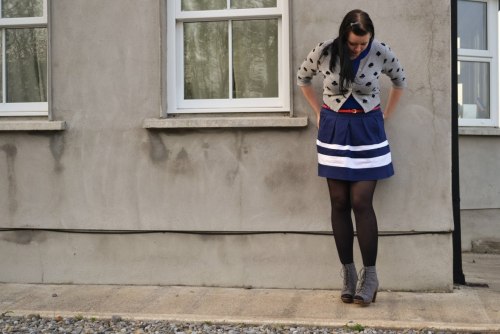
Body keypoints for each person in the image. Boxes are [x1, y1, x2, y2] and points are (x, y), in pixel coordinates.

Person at [297, 9, 406, 306]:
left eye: (363, 43)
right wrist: (318, 112)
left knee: (361, 202)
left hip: (368, 130)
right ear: (344, 35)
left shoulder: (381, 51)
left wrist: (386, 115)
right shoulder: (325, 51)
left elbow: (399, 81)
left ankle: (370, 277)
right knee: (339, 202)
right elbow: (302, 78)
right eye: (353, 44)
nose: (358, 48)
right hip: (334, 129)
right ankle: (347, 274)